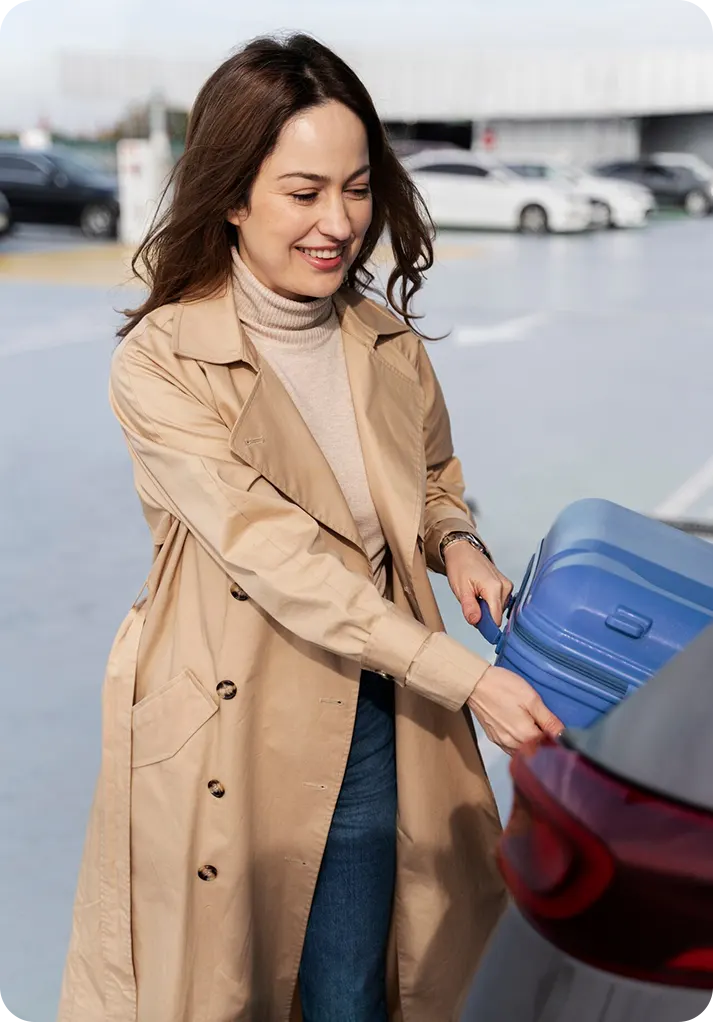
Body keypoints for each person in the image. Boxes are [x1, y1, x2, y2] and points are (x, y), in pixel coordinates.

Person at [58, 34, 563, 1022]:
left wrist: (454, 542)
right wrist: (470, 676)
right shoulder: (162, 363)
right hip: (226, 719)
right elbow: (267, 551)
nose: (338, 221)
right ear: (233, 196)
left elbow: (427, 477)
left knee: (358, 990)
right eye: (303, 192)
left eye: (357, 186)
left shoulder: (384, 341)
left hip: (379, 713)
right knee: (223, 986)